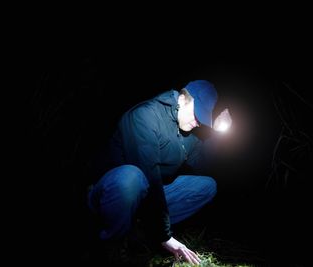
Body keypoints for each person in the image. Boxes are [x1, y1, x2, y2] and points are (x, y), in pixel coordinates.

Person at [86, 80, 232, 265]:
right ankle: (111, 246)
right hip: (108, 194)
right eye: (197, 115)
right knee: (131, 177)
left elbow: (201, 164)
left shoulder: (188, 132)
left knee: (207, 185)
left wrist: (217, 136)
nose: (198, 123)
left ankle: (139, 234)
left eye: (203, 119)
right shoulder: (145, 116)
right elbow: (149, 176)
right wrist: (165, 236)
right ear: (182, 98)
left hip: (146, 196)